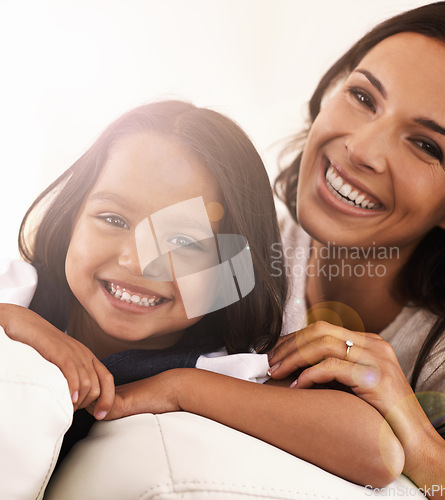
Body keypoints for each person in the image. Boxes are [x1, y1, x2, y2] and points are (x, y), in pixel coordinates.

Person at [0, 100, 403, 488]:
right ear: (72, 218)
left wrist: (181, 388)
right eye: (113, 219)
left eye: (182, 240)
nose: (138, 261)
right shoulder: (25, 290)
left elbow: (378, 452)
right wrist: (19, 322)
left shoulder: (212, 367)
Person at [268, 0, 445, 497]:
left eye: (426, 145)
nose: (362, 149)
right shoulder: (233, 252)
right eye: (363, 96)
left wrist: (414, 433)